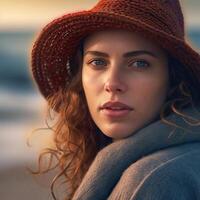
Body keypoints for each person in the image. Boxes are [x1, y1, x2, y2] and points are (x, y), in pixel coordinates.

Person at [30, 0, 200, 199]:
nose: (112, 83)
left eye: (139, 63)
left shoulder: (156, 179)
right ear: (79, 75)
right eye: (98, 62)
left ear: (173, 77)